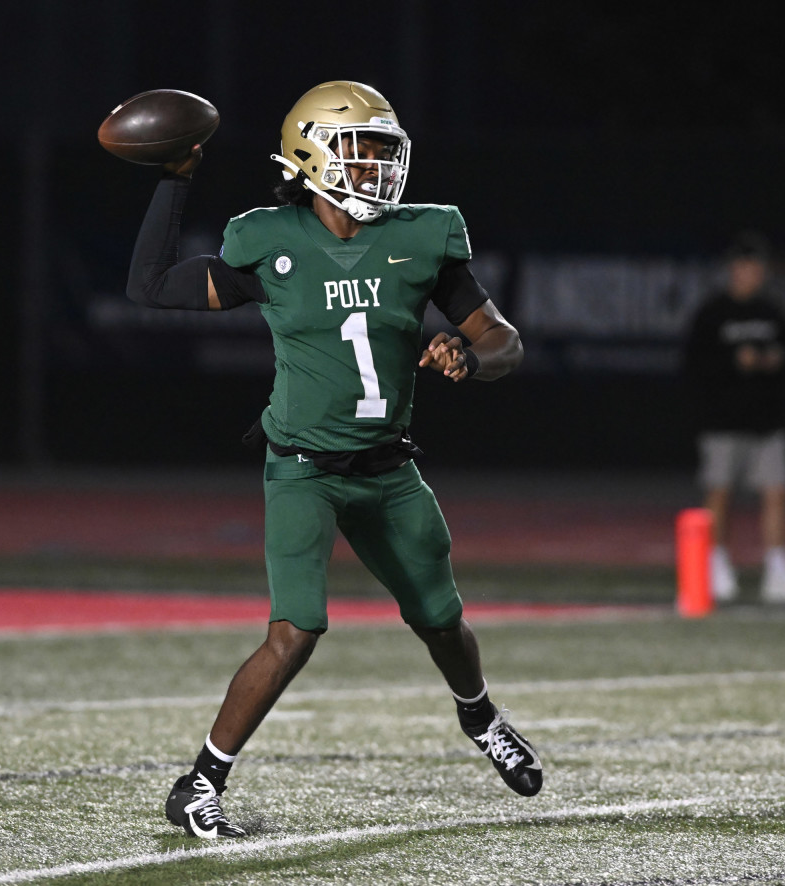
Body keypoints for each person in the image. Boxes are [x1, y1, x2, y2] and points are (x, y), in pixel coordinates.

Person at [125, 81, 542, 839]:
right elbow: (149, 285)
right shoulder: (268, 241)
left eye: (386, 151)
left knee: (442, 620)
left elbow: (504, 339)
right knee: (296, 630)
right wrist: (174, 177)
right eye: (361, 149)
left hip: (389, 469)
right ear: (310, 153)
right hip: (303, 471)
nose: (379, 167)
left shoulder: (422, 238)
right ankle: (200, 782)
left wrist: (472, 356)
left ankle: (480, 718)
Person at [682, 231, 785, 605]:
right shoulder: (712, 314)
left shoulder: (773, 313)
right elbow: (694, 365)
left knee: (777, 491)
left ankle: (777, 569)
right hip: (723, 421)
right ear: (733, 269)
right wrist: (733, 362)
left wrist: (772, 361)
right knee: (720, 493)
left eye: (755, 266)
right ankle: (716, 564)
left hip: (768, 421)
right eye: (743, 265)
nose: (749, 273)